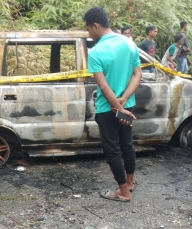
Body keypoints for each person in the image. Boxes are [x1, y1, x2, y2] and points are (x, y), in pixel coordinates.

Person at [83, 7, 142, 202]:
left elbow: (104, 87)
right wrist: (124, 101)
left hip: (108, 109)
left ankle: (123, 192)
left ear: (96, 25)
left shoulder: (96, 51)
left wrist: (116, 106)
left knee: (113, 150)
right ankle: (130, 183)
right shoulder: (129, 43)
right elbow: (137, 74)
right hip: (127, 106)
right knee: (127, 145)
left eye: (88, 29)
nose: (89, 34)